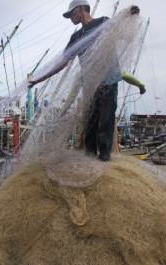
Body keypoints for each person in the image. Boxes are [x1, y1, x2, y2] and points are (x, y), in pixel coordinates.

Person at [28, 0, 140, 161]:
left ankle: (105, 158)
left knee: (106, 121)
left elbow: (120, 28)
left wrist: (129, 14)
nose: (69, 18)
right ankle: (90, 156)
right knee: (89, 122)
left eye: (71, 14)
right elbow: (63, 62)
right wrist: (39, 78)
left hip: (108, 81)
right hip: (90, 85)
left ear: (81, 10)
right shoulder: (77, 37)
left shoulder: (103, 22)